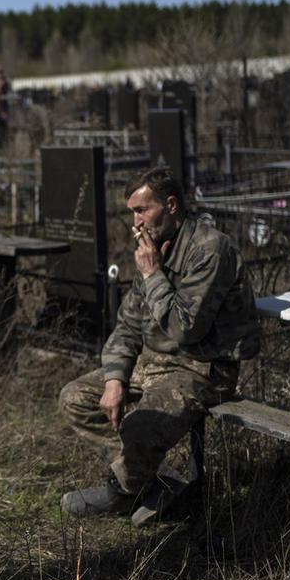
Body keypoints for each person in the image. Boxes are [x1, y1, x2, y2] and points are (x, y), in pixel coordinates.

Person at [59, 165, 260, 518]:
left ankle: (122, 491)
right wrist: (115, 378)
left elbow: (187, 330)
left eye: (141, 210)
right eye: (132, 212)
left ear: (170, 205)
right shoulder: (153, 245)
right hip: (154, 361)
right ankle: (154, 483)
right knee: (75, 398)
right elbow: (128, 324)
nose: (135, 222)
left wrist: (153, 274)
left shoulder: (209, 250)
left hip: (202, 367)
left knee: (139, 424)